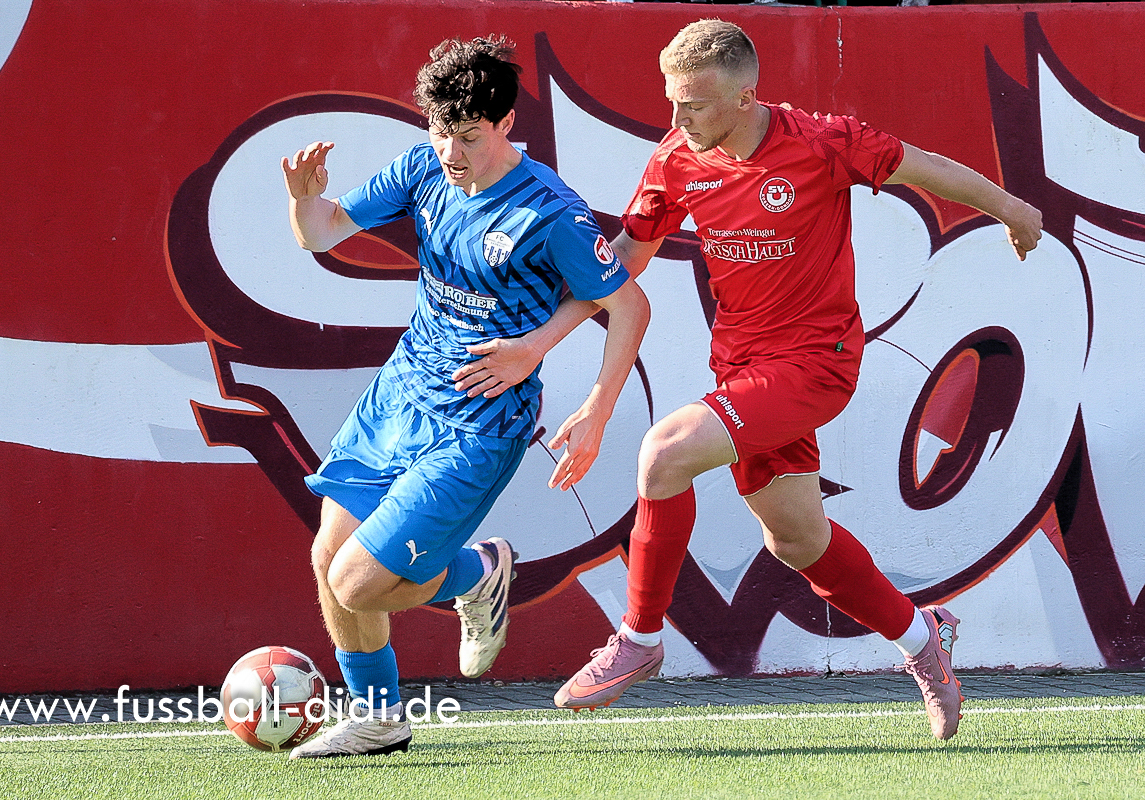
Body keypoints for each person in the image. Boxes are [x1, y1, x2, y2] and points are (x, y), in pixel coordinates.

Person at [457, 19, 1041, 741]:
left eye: (694, 103)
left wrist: (1013, 210)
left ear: (744, 97)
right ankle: (925, 638)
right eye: (672, 99)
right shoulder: (678, 157)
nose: (677, 116)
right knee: (796, 541)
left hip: (817, 364)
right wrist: (538, 342)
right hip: (741, 369)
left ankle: (639, 639)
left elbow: (923, 168)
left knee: (664, 453)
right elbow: (621, 262)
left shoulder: (823, 142)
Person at [279, 35, 649, 758]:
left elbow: (629, 307)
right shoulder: (423, 167)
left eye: (470, 136)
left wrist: (586, 400)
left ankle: (477, 572)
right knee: (328, 556)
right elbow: (319, 235)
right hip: (399, 396)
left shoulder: (550, 212)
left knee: (356, 583)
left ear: (506, 123)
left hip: (480, 424)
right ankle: (379, 719)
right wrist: (304, 202)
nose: (452, 152)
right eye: (441, 131)